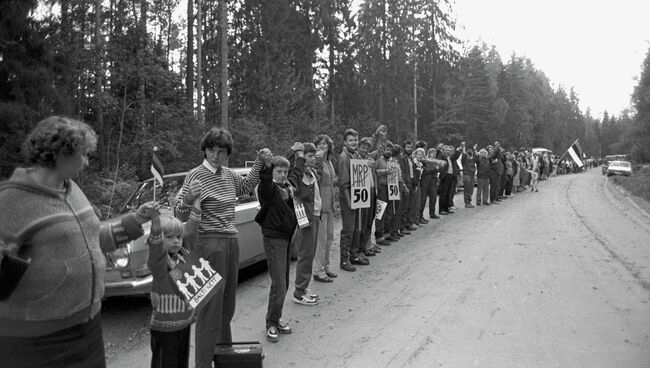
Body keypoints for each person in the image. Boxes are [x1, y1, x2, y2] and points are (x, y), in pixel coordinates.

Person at [0, 116, 153, 368]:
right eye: (82, 154)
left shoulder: (73, 190)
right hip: (35, 345)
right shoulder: (13, 200)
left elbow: (92, 241)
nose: (86, 161)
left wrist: (135, 221)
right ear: (60, 154)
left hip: (88, 331)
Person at [174, 127, 271, 368]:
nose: (215, 156)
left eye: (221, 151)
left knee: (226, 309)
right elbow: (179, 212)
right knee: (209, 311)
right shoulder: (195, 176)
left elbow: (247, 186)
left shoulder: (228, 175)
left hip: (230, 242)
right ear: (204, 151)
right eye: (211, 150)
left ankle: (224, 358)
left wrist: (260, 162)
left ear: (228, 153)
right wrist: (186, 200)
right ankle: (203, 364)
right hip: (208, 244)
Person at [146, 193, 201, 368]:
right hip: (164, 329)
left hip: (184, 324)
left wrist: (197, 204)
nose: (176, 241)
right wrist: (155, 222)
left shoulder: (183, 256)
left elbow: (191, 230)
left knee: (181, 362)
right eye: (169, 237)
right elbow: (155, 247)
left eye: (178, 237)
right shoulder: (159, 265)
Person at [255, 155, 298, 342]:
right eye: (278, 171)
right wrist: (265, 165)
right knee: (279, 284)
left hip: (286, 238)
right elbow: (264, 183)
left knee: (285, 283)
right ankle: (271, 323)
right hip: (274, 239)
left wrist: (296, 157)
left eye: (285, 172)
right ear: (272, 172)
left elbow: (295, 172)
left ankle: (277, 318)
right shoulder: (269, 189)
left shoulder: (287, 187)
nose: (282, 175)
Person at [288, 142, 321, 305]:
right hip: (306, 219)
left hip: (315, 216)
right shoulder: (298, 174)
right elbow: (290, 177)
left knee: (310, 254)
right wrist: (295, 154)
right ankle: (299, 291)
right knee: (305, 255)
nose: (313, 159)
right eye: (309, 156)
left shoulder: (312, 173)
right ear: (302, 158)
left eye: (314, 155)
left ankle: (304, 287)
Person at [336, 129, 367, 271]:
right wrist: (350, 202)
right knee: (348, 230)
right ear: (345, 142)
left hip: (358, 196)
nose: (354, 142)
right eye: (351, 140)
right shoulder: (343, 158)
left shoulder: (356, 155)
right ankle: (344, 260)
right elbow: (343, 184)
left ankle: (354, 254)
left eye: (355, 140)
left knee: (356, 228)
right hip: (348, 198)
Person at [312, 134, 338, 283]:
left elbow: (332, 180)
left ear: (329, 146)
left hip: (330, 204)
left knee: (329, 238)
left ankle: (326, 266)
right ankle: (318, 270)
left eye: (324, 143)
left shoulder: (329, 161)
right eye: (319, 143)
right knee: (320, 240)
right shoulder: (318, 162)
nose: (322, 146)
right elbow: (318, 179)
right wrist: (318, 160)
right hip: (320, 204)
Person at [358, 137, 380, 257]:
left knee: (369, 221)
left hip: (371, 191)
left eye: (367, 147)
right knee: (361, 222)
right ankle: (360, 248)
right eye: (363, 147)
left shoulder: (370, 159)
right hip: (362, 191)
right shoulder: (356, 158)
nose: (365, 149)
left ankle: (366, 245)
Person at [460, 142, 476, 208]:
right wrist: (463, 146)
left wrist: (474, 149)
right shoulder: (464, 160)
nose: (469, 156)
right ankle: (467, 202)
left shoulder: (472, 160)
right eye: (468, 155)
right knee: (467, 190)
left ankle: (469, 201)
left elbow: (476, 156)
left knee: (471, 190)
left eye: (470, 155)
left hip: (472, 175)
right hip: (467, 175)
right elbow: (463, 154)